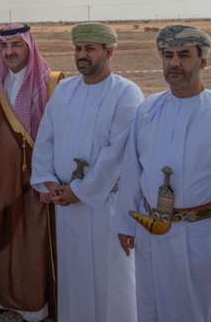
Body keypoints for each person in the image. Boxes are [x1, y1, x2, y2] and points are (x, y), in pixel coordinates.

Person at [30, 22, 142, 322]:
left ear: (109, 51)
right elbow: (46, 137)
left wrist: (80, 191)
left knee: (112, 277)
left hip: (106, 205)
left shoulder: (127, 93)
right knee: (75, 274)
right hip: (66, 204)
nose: (82, 55)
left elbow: (117, 153)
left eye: (90, 49)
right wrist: (48, 182)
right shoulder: (65, 89)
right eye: (78, 48)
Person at [116, 25, 211, 321]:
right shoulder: (148, 110)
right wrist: (125, 223)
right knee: (151, 305)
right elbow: (132, 170)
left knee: (198, 308)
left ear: (203, 61)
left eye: (184, 55)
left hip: (200, 234)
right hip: (152, 232)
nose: (174, 63)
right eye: (168, 55)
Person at [0, 24, 62, 322]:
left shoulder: (50, 82)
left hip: (35, 177)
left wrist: (49, 177)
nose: (9, 52)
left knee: (32, 237)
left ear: (30, 46)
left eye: (16, 45)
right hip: (1, 176)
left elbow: (57, 136)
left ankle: (34, 304)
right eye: (3, 46)